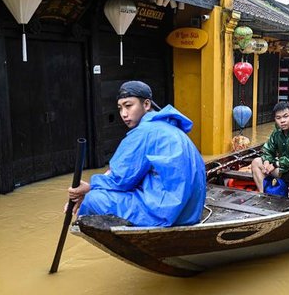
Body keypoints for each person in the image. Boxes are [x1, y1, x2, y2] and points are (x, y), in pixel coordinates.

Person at [66, 80, 206, 227]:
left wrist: (89, 187)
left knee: (93, 199)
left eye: (128, 106)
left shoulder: (144, 132)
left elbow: (121, 180)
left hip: (167, 213)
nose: (123, 114)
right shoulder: (168, 126)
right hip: (190, 213)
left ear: (146, 105)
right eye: (120, 108)